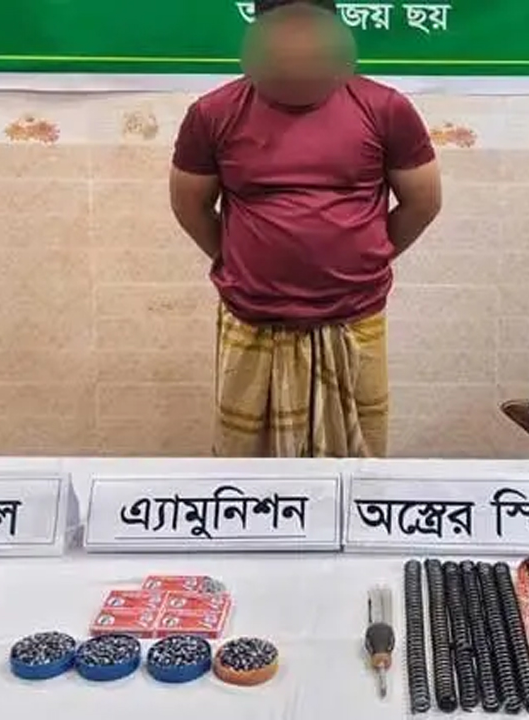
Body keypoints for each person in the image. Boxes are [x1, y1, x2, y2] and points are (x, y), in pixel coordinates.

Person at [169, 0, 442, 458]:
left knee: (357, 474)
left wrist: (362, 260)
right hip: (253, 322)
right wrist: (244, 263)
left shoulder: (384, 108)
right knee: (249, 477)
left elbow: (423, 201)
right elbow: (189, 204)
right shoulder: (213, 113)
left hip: (353, 320)